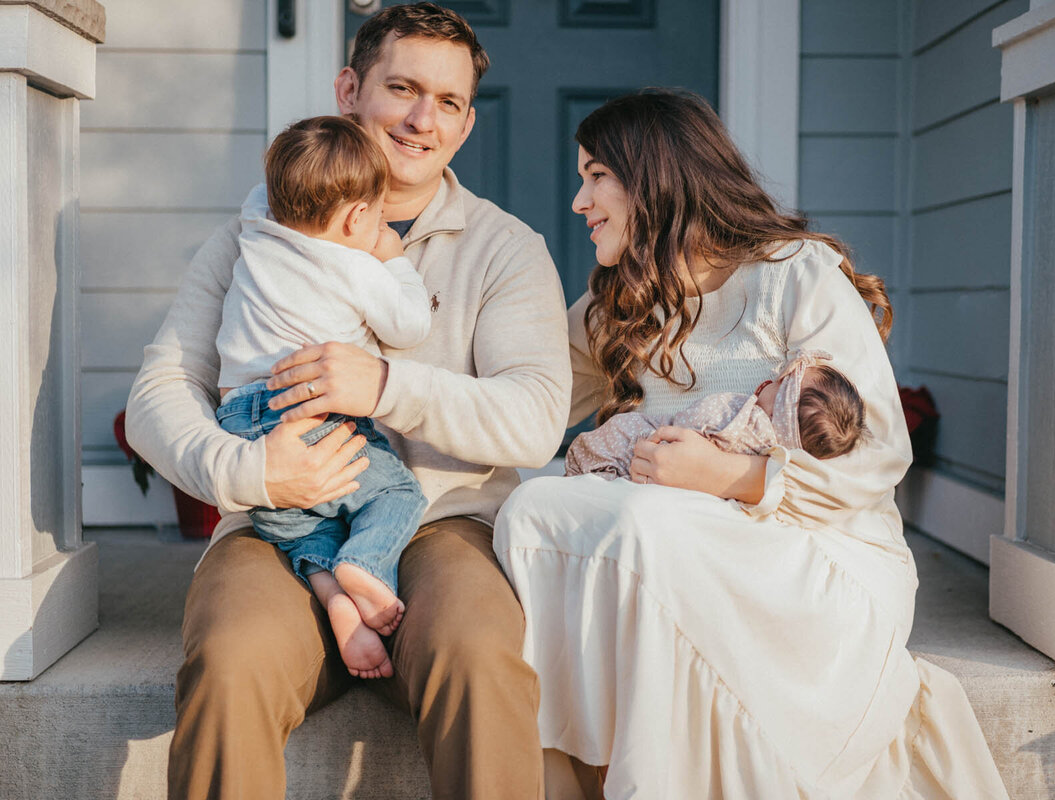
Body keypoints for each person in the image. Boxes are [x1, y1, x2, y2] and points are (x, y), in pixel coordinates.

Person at [493, 89, 1010, 799]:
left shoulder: (793, 273)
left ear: (653, 179)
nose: (579, 202)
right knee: (534, 511)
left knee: (646, 520)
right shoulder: (624, 298)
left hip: (816, 553)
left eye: (595, 176)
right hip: (680, 544)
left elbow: (881, 451)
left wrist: (734, 475)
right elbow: (526, 394)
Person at [126, 4, 570, 799]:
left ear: (467, 125)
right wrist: (249, 471)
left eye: (449, 102)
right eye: (401, 88)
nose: (421, 119)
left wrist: (387, 389)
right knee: (233, 658)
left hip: (443, 524)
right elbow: (161, 389)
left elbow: (535, 416)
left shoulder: (506, 249)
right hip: (278, 525)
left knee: (478, 656)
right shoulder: (256, 233)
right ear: (348, 89)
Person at [215, 115, 431, 680]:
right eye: (376, 215)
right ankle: (365, 566)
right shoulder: (354, 265)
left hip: (241, 423)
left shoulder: (257, 234)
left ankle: (336, 598)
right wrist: (393, 258)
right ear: (359, 218)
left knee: (306, 527)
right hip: (312, 411)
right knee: (399, 494)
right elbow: (409, 325)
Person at [565, 350, 865, 481]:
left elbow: (687, 425)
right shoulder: (766, 457)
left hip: (638, 445)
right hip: (652, 470)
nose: (774, 377)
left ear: (778, 411)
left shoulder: (739, 416)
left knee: (601, 448)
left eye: (783, 382)